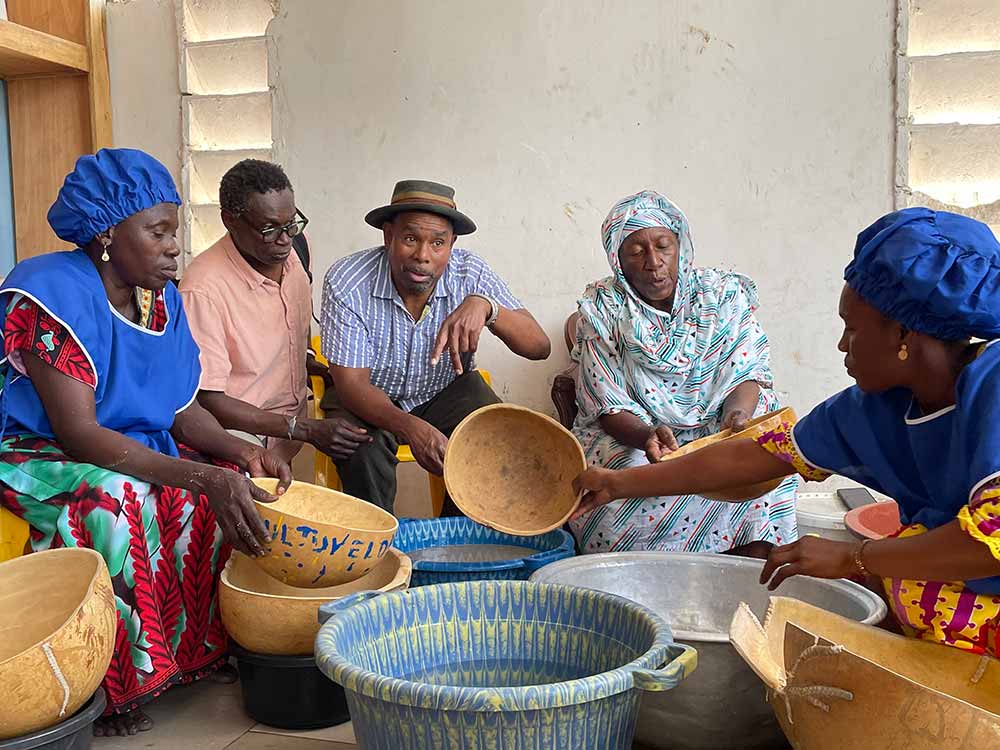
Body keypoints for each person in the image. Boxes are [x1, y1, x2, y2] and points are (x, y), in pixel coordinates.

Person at [575, 207, 1000, 658]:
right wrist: (617, 483)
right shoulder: (872, 408)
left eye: (850, 329)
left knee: (902, 585)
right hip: (969, 575)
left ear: (903, 335)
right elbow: (752, 457)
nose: (840, 345)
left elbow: (989, 543)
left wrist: (853, 559)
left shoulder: (992, 385)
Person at [0, 149, 292, 736]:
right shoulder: (50, 292)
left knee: (215, 485)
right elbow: (78, 433)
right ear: (108, 232)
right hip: (40, 451)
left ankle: (192, 655)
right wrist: (199, 475)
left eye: (173, 232)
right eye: (157, 232)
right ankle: (113, 685)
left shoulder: (163, 299)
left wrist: (240, 453)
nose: (173, 247)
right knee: (120, 499)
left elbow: (182, 410)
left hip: (131, 444)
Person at [568, 190, 797, 555]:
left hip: (718, 428)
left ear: (681, 247)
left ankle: (750, 560)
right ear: (618, 261)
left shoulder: (720, 295)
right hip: (640, 435)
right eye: (636, 251)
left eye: (663, 246)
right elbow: (607, 401)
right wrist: (647, 435)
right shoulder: (603, 308)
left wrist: (737, 417)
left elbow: (747, 368)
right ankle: (635, 582)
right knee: (628, 471)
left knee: (762, 460)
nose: (653, 262)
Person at [320, 180, 550, 513]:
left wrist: (487, 307)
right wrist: (412, 427)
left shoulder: (469, 272)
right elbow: (353, 384)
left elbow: (538, 346)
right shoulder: (348, 279)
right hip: (366, 396)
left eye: (438, 243)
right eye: (410, 238)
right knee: (359, 449)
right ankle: (376, 553)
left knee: (495, 437)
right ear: (389, 236)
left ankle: (453, 545)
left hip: (442, 392)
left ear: (452, 244)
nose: (423, 256)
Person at [180, 159, 368, 463]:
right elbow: (207, 399)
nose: (284, 239)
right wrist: (303, 428)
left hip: (286, 435)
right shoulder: (203, 290)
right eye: (269, 229)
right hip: (237, 441)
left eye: (291, 223)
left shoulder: (297, 250)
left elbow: (290, 330)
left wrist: (314, 366)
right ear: (230, 220)